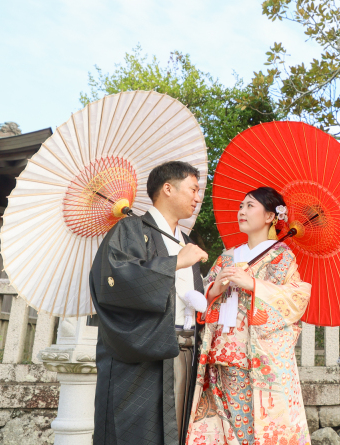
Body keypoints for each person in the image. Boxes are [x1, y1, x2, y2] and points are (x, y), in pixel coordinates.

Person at [89, 161, 209, 445]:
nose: (198, 197)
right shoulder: (129, 229)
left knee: (179, 428)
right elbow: (115, 281)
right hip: (142, 351)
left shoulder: (184, 240)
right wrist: (176, 262)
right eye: (193, 189)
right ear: (168, 188)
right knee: (136, 430)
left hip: (184, 351)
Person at [186, 187, 312, 445]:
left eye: (250, 206)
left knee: (253, 427)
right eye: (241, 206)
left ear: (270, 217)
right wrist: (214, 289)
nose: (241, 211)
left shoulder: (281, 257)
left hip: (255, 357)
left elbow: (296, 299)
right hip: (219, 353)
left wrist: (254, 285)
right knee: (226, 426)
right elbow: (202, 296)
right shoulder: (227, 256)